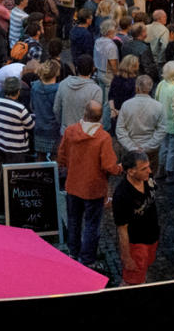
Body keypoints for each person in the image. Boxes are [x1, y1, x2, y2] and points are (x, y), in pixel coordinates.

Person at [57, 100, 121, 267]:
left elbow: (61, 157)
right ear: (100, 118)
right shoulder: (103, 137)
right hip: (94, 188)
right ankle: (87, 259)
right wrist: (119, 168)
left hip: (73, 185)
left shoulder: (70, 131)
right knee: (91, 225)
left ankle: (73, 252)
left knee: (74, 221)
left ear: (84, 113)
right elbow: (108, 166)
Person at [113, 150, 160, 285]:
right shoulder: (122, 195)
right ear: (131, 171)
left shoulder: (147, 178)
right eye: (144, 168)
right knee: (131, 281)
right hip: (137, 243)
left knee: (142, 271)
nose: (149, 171)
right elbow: (122, 229)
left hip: (152, 236)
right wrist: (126, 257)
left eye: (148, 166)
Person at [116, 75, 169, 173]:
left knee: (130, 179)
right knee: (149, 179)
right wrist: (148, 146)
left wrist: (131, 146)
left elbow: (120, 129)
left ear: (136, 87)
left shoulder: (126, 105)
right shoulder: (158, 107)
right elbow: (162, 129)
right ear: (150, 88)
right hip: (150, 152)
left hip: (129, 150)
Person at [0, 76, 35, 171]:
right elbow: (30, 126)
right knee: (15, 173)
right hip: (15, 148)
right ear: (18, 91)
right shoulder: (20, 109)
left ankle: (0, 186)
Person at [53, 55, 102, 135]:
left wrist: (63, 124)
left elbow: (56, 109)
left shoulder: (63, 84)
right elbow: (97, 117)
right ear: (92, 69)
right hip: (86, 134)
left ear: (76, 68)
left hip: (66, 132)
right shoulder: (95, 90)